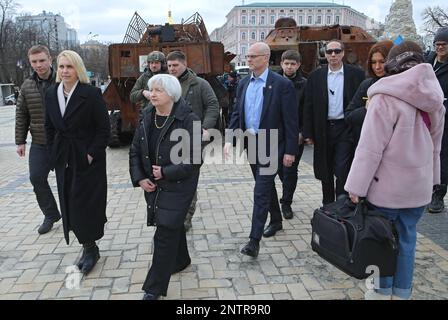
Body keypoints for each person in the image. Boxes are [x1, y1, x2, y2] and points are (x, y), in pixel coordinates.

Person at [345, 41, 445, 300]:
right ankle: (401, 294)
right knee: (407, 242)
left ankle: (380, 292)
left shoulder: (384, 97)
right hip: (418, 189)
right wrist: (433, 180)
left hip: (387, 189)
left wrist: (356, 187)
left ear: (392, 64)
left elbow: (370, 148)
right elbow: (436, 146)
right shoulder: (434, 98)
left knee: (381, 243)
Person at [129, 74, 202, 300]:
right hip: (153, 183)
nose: (152, 94)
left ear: (171, 94)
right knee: (172, 224)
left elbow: (194, 157)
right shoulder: (147, 115)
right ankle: (181, 260)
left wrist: (166, 172)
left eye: (158, 90)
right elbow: (135, 151)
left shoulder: (189, 120)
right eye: (151, 90)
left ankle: (154, 288)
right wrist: (140, 178)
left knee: (164, 231)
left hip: (179, 183)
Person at [224, 42, 299, 257]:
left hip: (274, 143)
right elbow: (237, 113)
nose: (249, 60)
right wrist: (229, 139)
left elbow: (291, 121)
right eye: (247, 56)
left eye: (253, 56)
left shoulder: (282, 85)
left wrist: (290, 151)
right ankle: (276, 220)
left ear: (265, 58)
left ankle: (253, 241)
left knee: (260, 190)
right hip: (252, 143)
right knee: (263, 186)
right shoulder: (244, 83)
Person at [45, 50, 110, 275]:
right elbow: (49, 127)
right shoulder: (51, 93)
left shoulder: (90, 93)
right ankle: (88, 246)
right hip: (64, 157)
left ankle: (90, 248)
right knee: (70, 204)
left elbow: (104, 129)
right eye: (61, 67)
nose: (64, 71)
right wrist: (53, 154)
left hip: (87, 160)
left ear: (78, 69)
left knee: (86, 204)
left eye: (69, 67)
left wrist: (90, 155)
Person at [303, 40, 365, 205]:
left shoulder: (356, 75)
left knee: (342, 168)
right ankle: (328, 205)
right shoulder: (316, 76)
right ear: (325, 54)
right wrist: (308, 132)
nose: (333, 55)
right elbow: (308, 105)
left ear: (343, 53)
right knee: (325, 169)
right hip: (323, 129)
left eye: (337, 51)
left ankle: (342, 203)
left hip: (345, 128)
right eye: (329, 52)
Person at [166, 50, 219, 231]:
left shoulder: (199, 84)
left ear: (184, 64)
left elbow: (213, 104)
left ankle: (186, 217)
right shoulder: (165, 84)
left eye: (175, 65)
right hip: (169, 139)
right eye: (169, 66)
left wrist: (205, 127)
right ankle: (173, 212)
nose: (172, 69)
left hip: (193, 139)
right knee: (171, 177)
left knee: (188, 178)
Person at [15, 45, 61, 235]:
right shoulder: (27, 85)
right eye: (34, 62)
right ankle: (50, 214)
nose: (39, 65)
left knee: (67, 181)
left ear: (50, 59)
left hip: (62, 142)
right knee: (36, 178)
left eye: (42, 60)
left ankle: (72, 215)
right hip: (40, 142)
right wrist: (20, 141)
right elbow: (21, 114)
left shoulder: (62, 79)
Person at [276, 49, 307, 220]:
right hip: (276, 134)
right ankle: (287, 190)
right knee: (280, 168)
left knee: (290, 169)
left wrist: (303, 132)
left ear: (298, 65)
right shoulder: (273, 82)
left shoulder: (304, 84)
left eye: (292, 64)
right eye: (286, 63)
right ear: (281, 64)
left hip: (295, 134)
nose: (289, 67)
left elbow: (307, 110)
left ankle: (286, 202)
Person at [345, 40, 394, 147]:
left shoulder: (401, 85)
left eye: (382, 61)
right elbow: (349, 115)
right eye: (373, 62)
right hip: (371, 144)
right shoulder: (366, 85)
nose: (377, 67)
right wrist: (367, 108)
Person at [426, 26, 448, 213]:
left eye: (443, 44)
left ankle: (438, 194)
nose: (440, 48)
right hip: (425, 116)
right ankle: (425, 189)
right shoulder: (428, 62)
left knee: (442, 156)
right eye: (437, 44)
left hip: (444, 117)